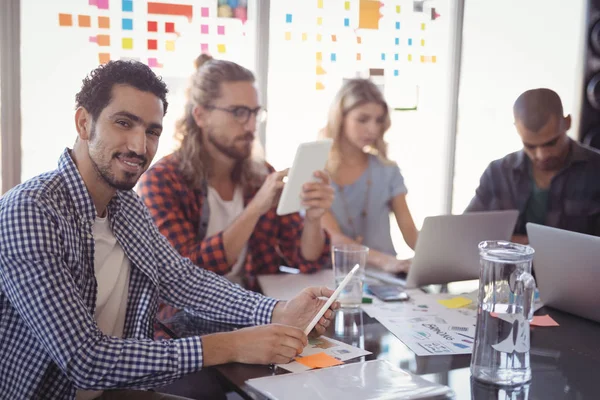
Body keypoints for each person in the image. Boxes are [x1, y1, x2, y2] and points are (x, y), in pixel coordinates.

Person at [0, 60, 338, 400]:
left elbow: (183, 279)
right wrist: (232, 345)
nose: (138, 146)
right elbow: (84, 359)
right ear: (84, 122)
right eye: (123, 123)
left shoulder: (126, 206)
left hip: (113, 391)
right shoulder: (30, 210)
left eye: (151, 131)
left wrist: (278, 310)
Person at [137, 54, 332, 291]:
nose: (251, 126)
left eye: (254, 113)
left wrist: (313, 218)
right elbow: (183, 275)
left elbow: (306, 261)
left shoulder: (262, 175)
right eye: (239, 112)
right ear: (201, 115)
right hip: (188, 319)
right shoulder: (161, 182)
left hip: (257, 308)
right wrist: (255, 209)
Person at [465, 88, 600, 243]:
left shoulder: (596, 172)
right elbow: (469, 234)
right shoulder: (497, 174)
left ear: (567, 122)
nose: (541, 155)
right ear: (517, 130)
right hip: (507, 268)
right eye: (530, 146)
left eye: (551, 143)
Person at [320, 78, 419, 274]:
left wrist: (436, 257)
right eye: (363, 119)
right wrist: (386, 261)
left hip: (388, 277)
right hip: (337, 279)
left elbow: (410, 232)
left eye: (379, 120)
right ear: (341, 118)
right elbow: (333, 238)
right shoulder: (318, 172)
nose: (373, 129)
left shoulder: (387, 170)